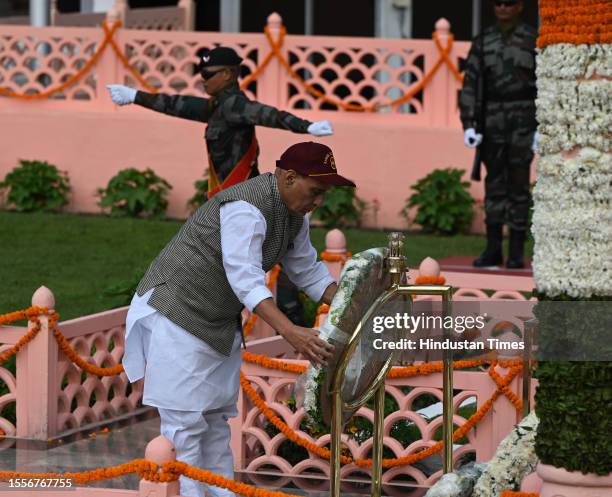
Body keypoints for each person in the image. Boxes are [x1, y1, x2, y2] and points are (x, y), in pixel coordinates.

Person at [122, 142, 355, 497]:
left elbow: (307, 269)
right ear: (289, 177)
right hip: (176, 312)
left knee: (215, 420)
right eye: (316, 191)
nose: (319, 201)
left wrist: (354, 302)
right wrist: (291, 331)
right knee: (183, 424)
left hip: (217, 320)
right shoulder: (245, 208)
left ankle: (221, 492)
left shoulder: (295, 216)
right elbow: (244, 279)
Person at [106, 46, 334, 197]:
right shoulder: (217, 105)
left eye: (207, 75)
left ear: (226, 74)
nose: (203, 80)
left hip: (241, 194)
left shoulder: (234, 105)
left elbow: (269, 115)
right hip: (229, 194)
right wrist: (134, 96)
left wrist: (306, 126)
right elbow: (176, 104)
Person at [459, 0, 537, 269]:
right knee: (494, 185)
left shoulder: (533, 39)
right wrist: (469, 123)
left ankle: (516, 250)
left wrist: (542, 126)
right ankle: (493, 248)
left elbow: (544, 84)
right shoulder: (483, 40)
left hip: (523, 118)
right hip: (491, 119)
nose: (502, 8)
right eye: (498, 3)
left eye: (509, 3)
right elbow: (470, 83)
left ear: (520, 6)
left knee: (519, 185)